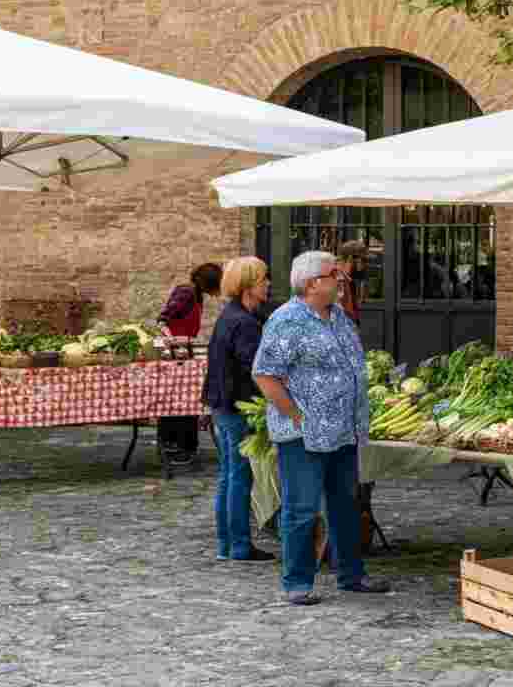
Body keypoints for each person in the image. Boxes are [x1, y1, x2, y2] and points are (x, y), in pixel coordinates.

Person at [252, 251, 389, 605]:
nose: (342, 280)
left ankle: (351, 575)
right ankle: (297, 582)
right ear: (313, 283)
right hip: (305, 435)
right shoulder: (287, 320)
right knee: (301, 508)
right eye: (335, 275)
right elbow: (265, 374)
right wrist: (295, 415)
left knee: (345, 504)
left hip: (343, 430)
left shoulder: (339, 316)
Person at [203, 257, 274, 563]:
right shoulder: (243, 323)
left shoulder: (230, 316)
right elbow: (257, 368)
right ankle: (240, 546)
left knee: (229, 475)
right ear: (248, 286)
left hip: (223, 404)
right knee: (239, 476)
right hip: (235, 406)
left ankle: (227, 545)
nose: (268, 284)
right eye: (263, 280)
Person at [157, 262, 223, 464]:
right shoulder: (186, 293)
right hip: (176, 355)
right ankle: (175, 445)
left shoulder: (196, 294)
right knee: (179, 401)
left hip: (185, 353)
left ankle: (183, 445)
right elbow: (162, 320)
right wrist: (173, 340)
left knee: (186, 400)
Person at [335, 239, 369, 327]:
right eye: (364, 260)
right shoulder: (339, 279)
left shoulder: (348, 279)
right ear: (351, 258)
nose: (366, 264)